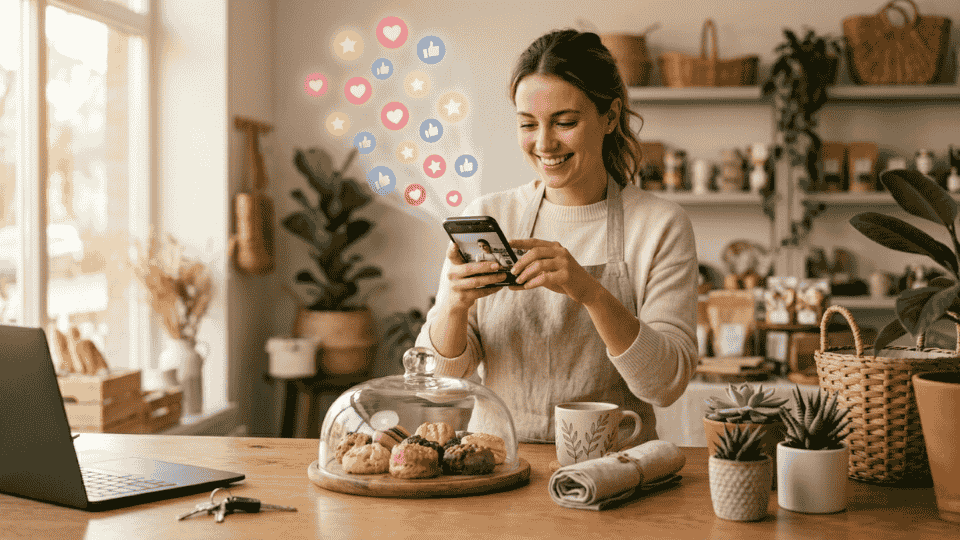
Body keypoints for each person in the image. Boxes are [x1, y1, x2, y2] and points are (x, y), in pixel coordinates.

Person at [415, 29, 698, 444]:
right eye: (528, 124)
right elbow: (439, 381)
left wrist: (591, 293)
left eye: (565, 122)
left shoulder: (659, 225)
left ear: (611, 117)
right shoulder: (490, 216)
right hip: (495, 465)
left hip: (612, 473)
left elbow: (664, 385)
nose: (544, 143)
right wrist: (454, 306)